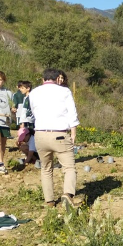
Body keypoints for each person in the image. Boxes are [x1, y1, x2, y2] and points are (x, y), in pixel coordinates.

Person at [29, 68, 80, 207]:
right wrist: (73, 133)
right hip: (59, 134)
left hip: (40, 134)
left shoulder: (33, 92)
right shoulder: (64, 91)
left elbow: (33, 112)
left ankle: (49, 201)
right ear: (58, 78)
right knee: (69, 167)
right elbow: (72, 113)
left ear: (43, 79)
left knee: (46, 168)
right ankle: (67, 194)